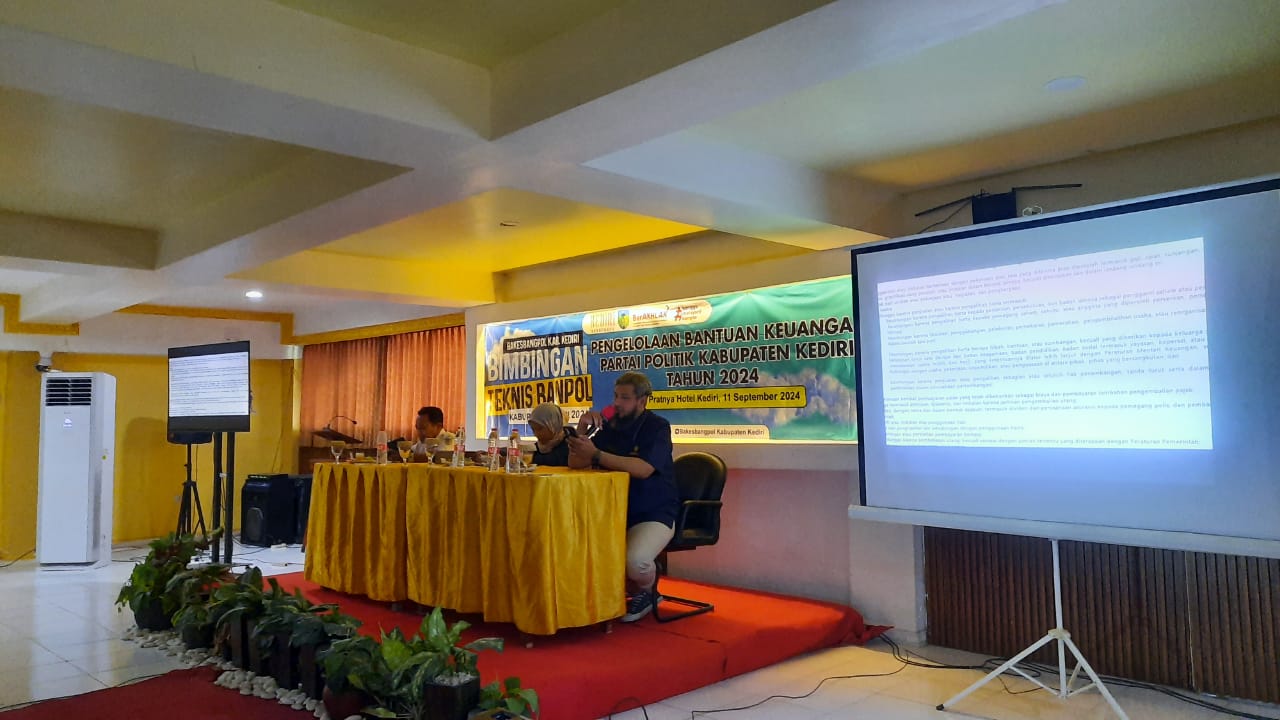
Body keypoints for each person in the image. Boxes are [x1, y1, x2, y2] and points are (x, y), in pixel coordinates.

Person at [567, 371, 678, 622]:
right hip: (612, 511)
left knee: (636, 561)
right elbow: (575, 463)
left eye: (625, 398)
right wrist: (581, 430)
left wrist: (597, 455)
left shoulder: (657, 427)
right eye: (616, 396)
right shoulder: (611, 426)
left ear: (642, 401)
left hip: (653, 512)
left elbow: (643, 469)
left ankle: (648, 591)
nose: (617, 403)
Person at [528, 402, 570, 466]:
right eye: (533, 429)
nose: (536, 434)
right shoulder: (536, 448)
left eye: (539, 429)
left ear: (553, 425)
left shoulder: (571, 447)